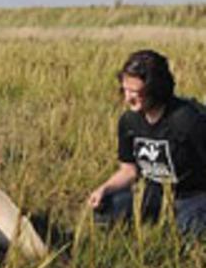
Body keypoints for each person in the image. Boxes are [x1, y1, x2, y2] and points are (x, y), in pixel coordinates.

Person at [88, 49, 206, 236]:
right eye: (124, 90)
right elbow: (129, 170)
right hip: (153, 193)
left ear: (155, 89)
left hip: (192, 196)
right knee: (106, 210)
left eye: (135, 92)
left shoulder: (188, 119)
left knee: (193, 234)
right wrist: (104, 188)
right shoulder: (129, 122)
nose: (128, 98)